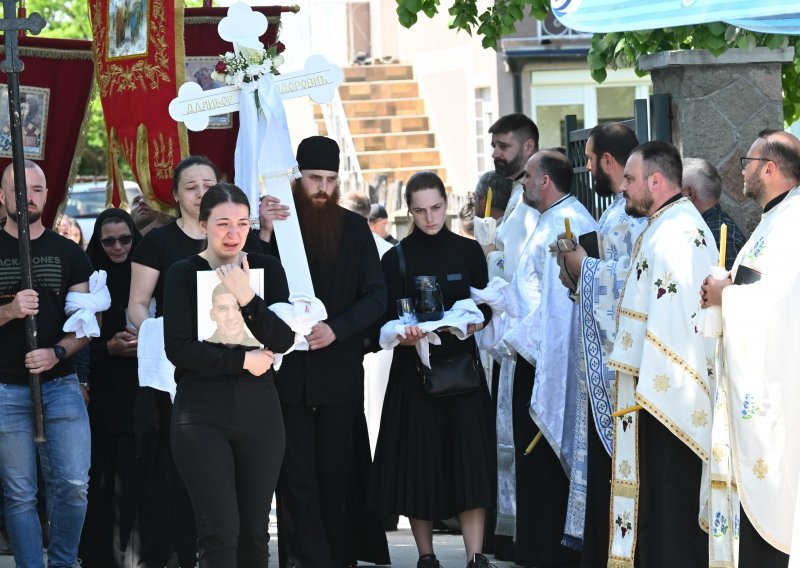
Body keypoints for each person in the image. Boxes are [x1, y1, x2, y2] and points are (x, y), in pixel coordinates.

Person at [128, 155, 270, 568]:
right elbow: (137, 305)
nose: (200, 191)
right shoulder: (161, 246)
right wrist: (161, 333)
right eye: (191, 186)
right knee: (207, 510)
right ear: (175, 195)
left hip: (248, 394)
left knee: (248, 522)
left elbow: (273, 324)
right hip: (185, 384)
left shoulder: (249, 249)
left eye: (208, 183)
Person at [260, 136, 387, 568]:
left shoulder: (353, 229)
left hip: (338, 377)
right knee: (293, 480)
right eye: (314, 178)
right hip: (286, 377)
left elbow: (375, 296)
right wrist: (262, 232)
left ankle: (337, 560)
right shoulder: (277, 226)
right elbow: (249, 281)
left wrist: (337, 329)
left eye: (331, 180)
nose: (322, 188)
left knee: (335, 477)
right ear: (298, 177)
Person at [163, 183, 295, 567]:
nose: (233, 233)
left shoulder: (266, 268)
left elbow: (283, 339)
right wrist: (242, 362)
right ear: (202, 223)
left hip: (261, 415)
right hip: (201, 415)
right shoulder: (183, 274)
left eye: (242, 223)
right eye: (222, 223)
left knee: (255, 533)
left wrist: (247, 296)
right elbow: (179, 349)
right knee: (220, 531)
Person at [369, 171, 495, 568]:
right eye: (421, 210)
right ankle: (427, 555)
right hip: (414, 375)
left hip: (463, 372)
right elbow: (385, 317)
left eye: (436, 208)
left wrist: (479, 320)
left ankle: (476, 556)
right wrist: (400, 333)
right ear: (409, 211)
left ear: (447, 205)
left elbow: (487, 301)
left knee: (470, 464)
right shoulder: (395, 258)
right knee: (417, 464)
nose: (429, 218)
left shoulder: (469, 252)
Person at [606, 141, 717, 567]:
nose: (624, 188)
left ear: (655, 181)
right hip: (654, 395)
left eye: (630, 179)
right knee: (660, 509)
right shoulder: (664, 225)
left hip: (673, 397)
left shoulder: (678, 233)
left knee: (675, 510)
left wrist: (658, 378)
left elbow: (678, 321)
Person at [700, 130, 800, 568]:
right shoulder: (774, 221)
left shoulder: (793, 223)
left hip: (778, 388)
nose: (741, 169)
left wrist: (727, 295)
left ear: (771, 168)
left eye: (749, 160)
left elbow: (782, 302)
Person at [555, 123, 645, 566]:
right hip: (603, 361)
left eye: (590, 159)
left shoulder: (636, 218)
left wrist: (583, 267)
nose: (586, 167)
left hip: (621, 368)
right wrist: (575, 275)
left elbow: (629, 285)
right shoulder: (615, 212)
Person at [501, 150, 596, 568]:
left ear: (544, 182)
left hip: (547, 366)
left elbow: (560, 311)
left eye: (527, 176)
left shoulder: (566, 224)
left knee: (544, 467)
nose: (521, 182)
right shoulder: (548, 220)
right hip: (530, 357)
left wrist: (518, 336)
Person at [0, 160, 93, 568]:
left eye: (37, 188)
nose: (28, 196)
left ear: (46, 195)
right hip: (4, 388)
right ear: (1, 197)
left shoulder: (69, 253)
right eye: (19, 188)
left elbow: (87, 326)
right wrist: (9, 310)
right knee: (19, 492)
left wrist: (56, 351)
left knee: (73, 485)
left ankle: (62, 562)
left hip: (60, 385)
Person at [78, 209, 143, 567]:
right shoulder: (87, 274)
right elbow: (77, 336)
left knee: (136, 475)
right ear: (98, 242)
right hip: (102, 392)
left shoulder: (147, 271)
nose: (118, 247)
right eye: (109, 241)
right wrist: (108, 348)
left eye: (125, 239)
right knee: (101, 477)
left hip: (140, 389)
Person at [682, 157, 746, 270]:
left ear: (689, 193)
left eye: (677, 191)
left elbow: (731, 284)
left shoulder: (718, 233)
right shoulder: (712, 227)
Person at [205, 282, 261, 347]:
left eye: (238, 308)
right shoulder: (202, 348)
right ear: (212, 315)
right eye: (223, 309)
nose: (231, 316)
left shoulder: (259, 347)